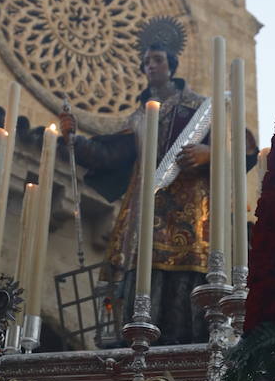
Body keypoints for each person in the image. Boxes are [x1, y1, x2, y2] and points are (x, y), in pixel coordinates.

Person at [59, 23, 257, 346]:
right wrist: (72, 139)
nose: (150, 66)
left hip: (191, 218)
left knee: (186, 287)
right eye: (146, 62)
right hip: (145, 219)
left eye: (157, 60)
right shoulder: (139, 118)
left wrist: (209, 154)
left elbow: (242, 152)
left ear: (171, 66)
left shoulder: (200, 109)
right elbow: (110, 154)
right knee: (142, 287)